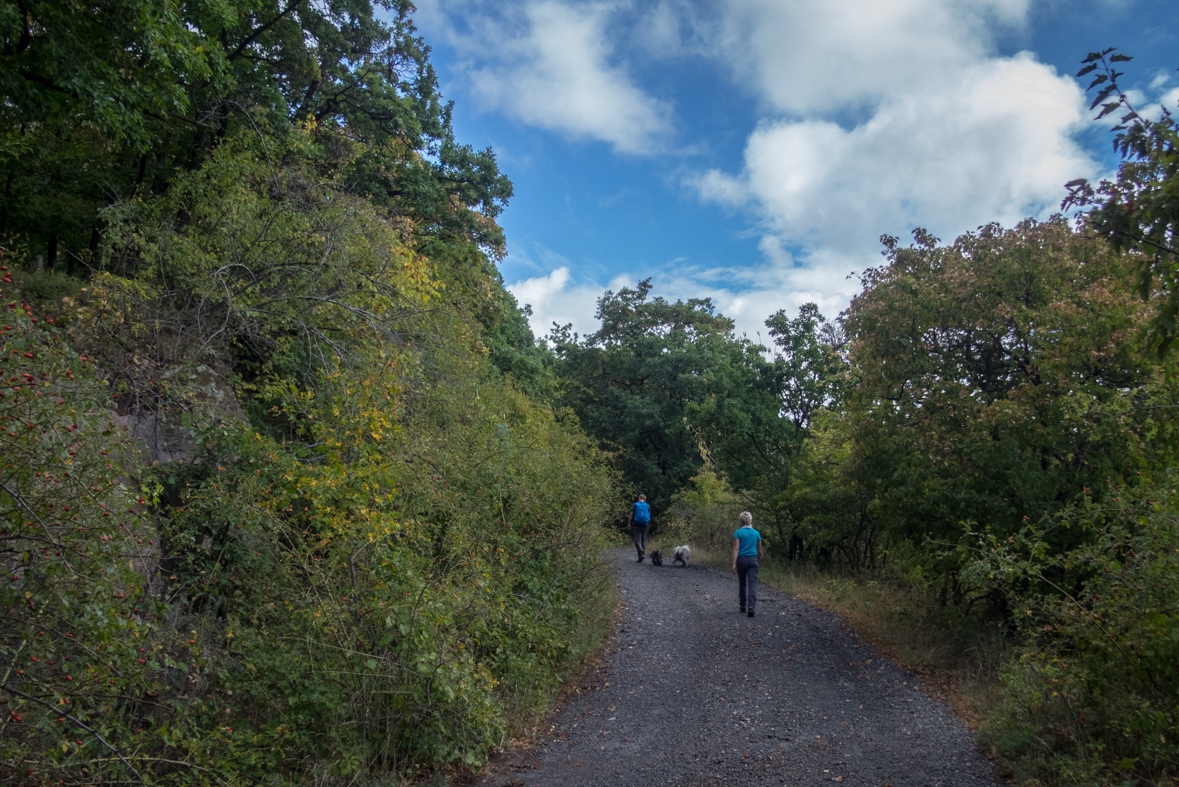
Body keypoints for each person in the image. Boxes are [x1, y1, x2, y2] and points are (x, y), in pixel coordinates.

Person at [730, 511, 762, 617]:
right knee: (752, 584)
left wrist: (734, 563)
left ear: (741, 521)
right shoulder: (756, 533)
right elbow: (760, 551)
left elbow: (736, 548)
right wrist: (758, 560)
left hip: (742, 560)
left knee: (742, 583)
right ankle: (751, 606)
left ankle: (743, 605)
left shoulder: (738, 533)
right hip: (753, 560)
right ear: (750, 520)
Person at [628, 494, 651, 563]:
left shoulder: (635, 505)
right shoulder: (647, 505)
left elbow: (631, 515)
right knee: (643, 540)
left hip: (636, 524)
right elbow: (648, 515)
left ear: (639, 498)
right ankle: (642, 554)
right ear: (645, 499)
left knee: (638, 541)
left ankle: (640, 554)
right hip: (645, 524)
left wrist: (629, 524)